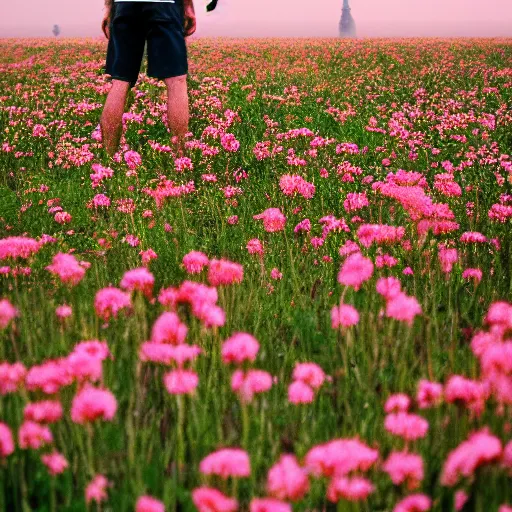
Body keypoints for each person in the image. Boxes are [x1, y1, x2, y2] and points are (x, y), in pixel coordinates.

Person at [100, 0, 197, 157]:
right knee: (176, 81)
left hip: (125, 4)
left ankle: (107, 160)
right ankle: (180, 160)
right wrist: (187, 6)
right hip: (164, 5)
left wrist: (109, 8)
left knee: (119, 82)